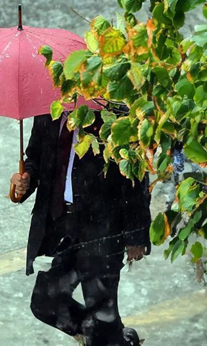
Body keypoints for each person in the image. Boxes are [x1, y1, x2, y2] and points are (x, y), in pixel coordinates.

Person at [9, 112, 151, 346]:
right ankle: (116, 339)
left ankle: (109, 337)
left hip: (103, 228)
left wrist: (137, 235)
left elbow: (135, 177)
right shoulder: (48, 111)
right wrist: (25, 179)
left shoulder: (109, 112)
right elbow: (36, 156)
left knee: (101, 310)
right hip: (64, 225)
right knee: (45, 301)